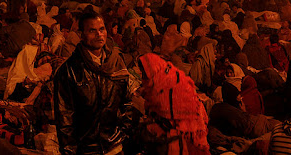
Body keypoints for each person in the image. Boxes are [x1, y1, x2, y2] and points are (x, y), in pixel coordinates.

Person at [54, 11, 132, 155]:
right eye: (92, 30)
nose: (99, 34)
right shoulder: (69, 71)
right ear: (81, 34)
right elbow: (65, 119)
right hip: (86, 150)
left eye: (102, 29)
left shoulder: (116, 62)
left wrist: (123, 134)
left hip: (114, 147)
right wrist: (69, 151)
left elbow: (127, 102)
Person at [138, 53, 209, 154]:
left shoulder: (170, 82)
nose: (143, 76)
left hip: (187, 130)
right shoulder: (156, 83)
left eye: (145, 73)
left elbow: (170, 111)